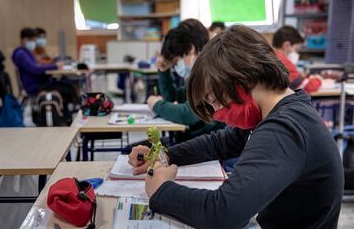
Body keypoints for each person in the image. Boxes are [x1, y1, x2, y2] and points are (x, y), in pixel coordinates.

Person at [129, 25, 343, 228]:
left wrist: (161, 190)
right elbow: (220, 143)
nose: (216, 113)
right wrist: (165, 155)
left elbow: (222, 213)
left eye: (214, 100)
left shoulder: (284, 129)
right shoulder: (280, 111)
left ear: (241, 81)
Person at [146, 19, 225, 144]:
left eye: (176, 61)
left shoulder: (210, 71)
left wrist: (157, 105)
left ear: (191, 50)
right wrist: (164, 71)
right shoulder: (196, 73)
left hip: (211, 141)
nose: (177, 66)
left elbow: (188, 115)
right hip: (202, 138)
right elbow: (175, 97)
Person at [273, 25, 322, 93]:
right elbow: (308, 86)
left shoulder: (272, 55)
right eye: (296, 49)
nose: (296, 53)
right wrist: (319, 79)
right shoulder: (283, 62)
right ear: (286, 45)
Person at [12, 27, 58, 95]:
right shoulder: (21, 54)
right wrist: (55, 66)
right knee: (66, 89)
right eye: (30, 40)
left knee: (65, 85)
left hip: (38, 83)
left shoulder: (27, 52)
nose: (32, 43)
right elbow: (34, 69)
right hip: (33, 86)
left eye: (33, 40)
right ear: (22, 40)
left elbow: (38, 65)